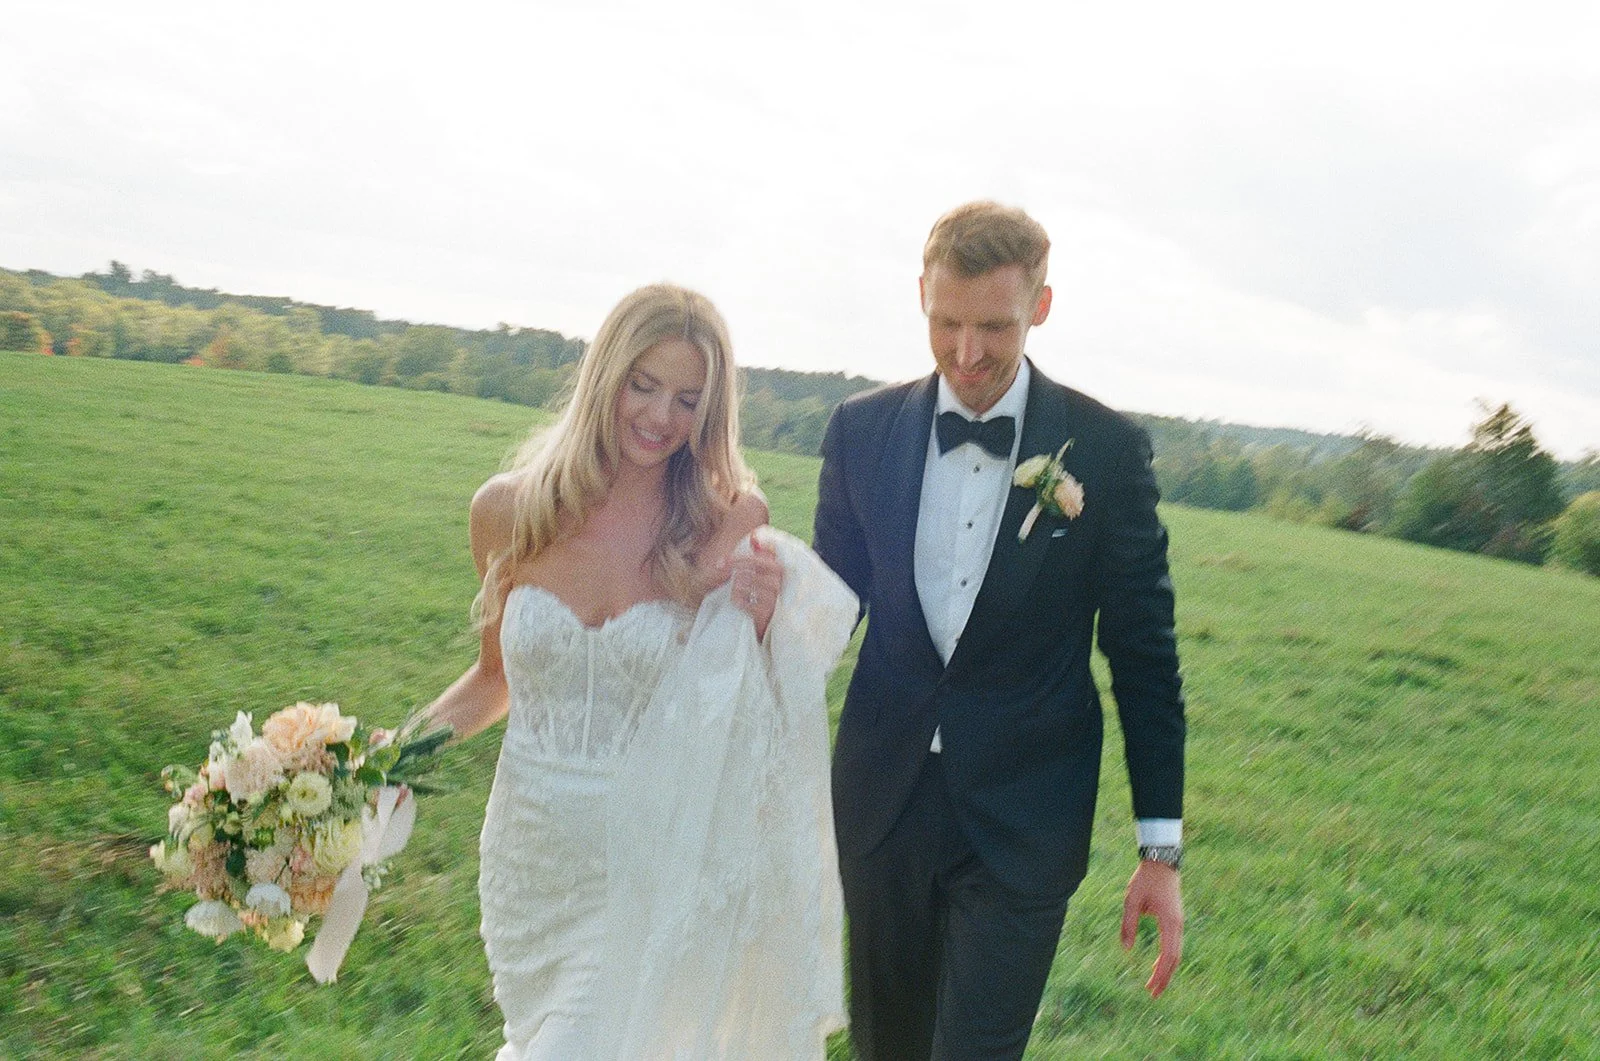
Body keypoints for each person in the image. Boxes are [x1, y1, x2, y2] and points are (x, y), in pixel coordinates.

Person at [424, 283, 858, 1060]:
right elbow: (494, 678)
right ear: (605, 377)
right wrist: (387, 758)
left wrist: (761, 628)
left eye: (688, 399)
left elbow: (749, 714)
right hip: (530, 861)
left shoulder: (728, 522)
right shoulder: (507, 512)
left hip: (648, 861)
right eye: (644, 385)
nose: (661, 417)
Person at [813, 201, 1187, 1060]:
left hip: (1023, 822)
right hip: (882, 807)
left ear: (1041, 308)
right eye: (946, 323)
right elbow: (829, 607)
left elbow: (1144, 652)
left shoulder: (1105, 449)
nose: (967, 353)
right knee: (886, 1050)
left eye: (994, 326)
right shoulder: (860, 431)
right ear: (920, 296)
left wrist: (1158, 850)